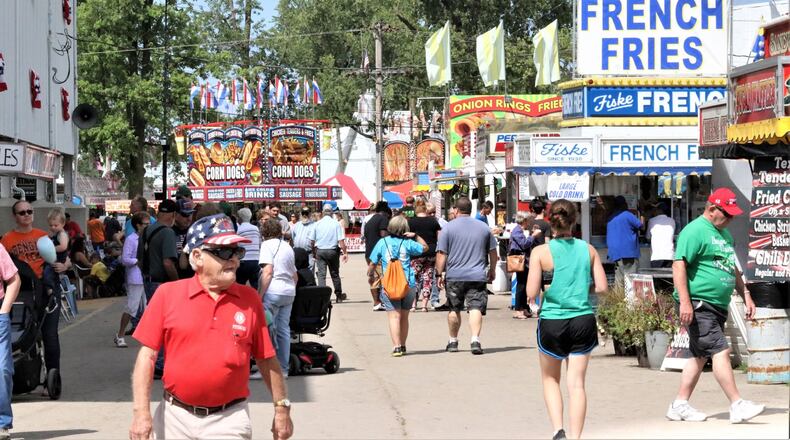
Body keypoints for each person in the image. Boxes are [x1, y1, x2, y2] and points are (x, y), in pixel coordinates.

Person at [129, 214, 293, 440]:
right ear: (197, 256)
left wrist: (282, 408)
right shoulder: (167, 295)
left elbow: (266, 359)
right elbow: (146, 357)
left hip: (229, 419)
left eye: (237, 252)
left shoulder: (250, 299)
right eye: (224, 252)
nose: (234, 260)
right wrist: (141, 412)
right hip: (174, 417)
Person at [666, 188, 763, 424]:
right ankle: (737, 403)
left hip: (717, 304)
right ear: (712, 209)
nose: (730, 219)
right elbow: (678, 266)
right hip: (700, 304)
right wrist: (686, 303)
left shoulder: (724, 235)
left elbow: (733, 269)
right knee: (720, 350)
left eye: (732, 215)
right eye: (727, 214)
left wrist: (747, 294)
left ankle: (679, 404)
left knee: (699, 355)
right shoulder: (695, 231)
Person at [526, 199, 608, 440]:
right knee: (577, 385)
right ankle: (576, 437)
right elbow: (602, 287)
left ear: (551, 221)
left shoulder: (541, 252)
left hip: (552, 321)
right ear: (574, 221)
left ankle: (558, 430)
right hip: (582, 319)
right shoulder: (588, 250)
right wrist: (582, 289)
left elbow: (531, 293)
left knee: (550, 378)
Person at [1, 201, 69, 383]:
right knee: (26, 336)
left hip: (46, 290)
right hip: (22, 294)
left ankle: (53, 378)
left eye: (29, 211)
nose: (26, 215)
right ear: (14, 216)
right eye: (22, 212)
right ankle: (28, 377)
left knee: (50, 336)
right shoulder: (7, 240)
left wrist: (65, 266)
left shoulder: (44, 236)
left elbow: (64, 256)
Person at [435, 197, 497, 355]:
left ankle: (453, 341)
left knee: (454, 308)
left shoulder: (448, 228)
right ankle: (475, 340)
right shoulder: (483, 227)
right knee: (475, 307)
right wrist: (492, 270)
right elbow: (493, 252)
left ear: (456, 210)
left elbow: (442, 254)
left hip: (455, 276)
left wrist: (439, 273)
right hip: (477, 275)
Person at [367, 216, 427, 356]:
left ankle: (397, 347)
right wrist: (416, 236)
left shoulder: (382, 242)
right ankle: (404, 345)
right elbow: (425, 248)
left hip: (390, 285)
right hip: (408, 284)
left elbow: (372, 263)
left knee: (394, 317)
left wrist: (370, 275)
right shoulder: (408, 243)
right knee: (404, 317)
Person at [258, 218, 298, 376]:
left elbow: (267, 272)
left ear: (264, 232)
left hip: (272, 292)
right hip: (288, 292)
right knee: (283, 330)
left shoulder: (266, 246)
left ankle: (268, 369)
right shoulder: (288, 247)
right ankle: (283, 368)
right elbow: (295, 276)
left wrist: (259, 295)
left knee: (267, 330)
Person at [116, 211, 150, 348]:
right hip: (135, 277)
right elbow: (125, 259)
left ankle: (148, 336)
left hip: (146, 276)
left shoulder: (148, 238)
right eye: (145, 224)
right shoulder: (131, 239)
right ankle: (120, 335)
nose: (148, 226)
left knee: (148, 308)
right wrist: (139, 261)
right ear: (138, 225)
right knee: (132, 307)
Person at [138, 199, 179, 302]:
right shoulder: (168, 232)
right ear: (173, 214)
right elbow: (168, 263)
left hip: (147, 282)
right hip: (161, 284)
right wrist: (177, 282)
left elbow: (139, 260)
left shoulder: (145, 230)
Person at [407, 200, 441, 312]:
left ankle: (413, 305)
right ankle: (424, 305)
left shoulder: (411, 222)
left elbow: (407, 238)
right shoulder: (433, 221)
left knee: (414, 279)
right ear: (426, 210)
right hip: (431, 252)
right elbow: (439, 238)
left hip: (416, 253)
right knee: (428, 278)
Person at [311, 204, 348, 303]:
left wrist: (313, 252)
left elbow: (312, 241)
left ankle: (322, 296)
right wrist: (345, 253)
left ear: (323, 213)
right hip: (332, 251)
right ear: (331, 213)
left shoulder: (317, 224)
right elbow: (341, 241)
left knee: (321, 275)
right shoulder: (336, 224)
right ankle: (339, 295)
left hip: (320, 251)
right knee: (335, 274)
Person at [510, 211, 543, 319]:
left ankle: (524, 308)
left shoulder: (521, 230)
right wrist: (533, 235)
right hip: (520, 260)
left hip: (524, 261)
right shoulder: (517, 231)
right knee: (521, 285)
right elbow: (524, 244)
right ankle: (518, 310)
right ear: (524, 220)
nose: (529, 222)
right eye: (528, 220)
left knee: (525, 284)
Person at [606, 195, 642, 289]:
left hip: (615, 254)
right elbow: (641, 226)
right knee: (631, 280)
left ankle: (618, 301)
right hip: (628, 253)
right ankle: (632, 303)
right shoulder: (627, 215)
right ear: (624, 204)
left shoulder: (611, 217)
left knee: (619, 281)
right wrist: (641, 213)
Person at [363, 202, 391, 311]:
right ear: (386, 212)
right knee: (382, 278)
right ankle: (381, 302)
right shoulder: (383, 219)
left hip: (369, 253)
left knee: (374, 278)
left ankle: (377, 302)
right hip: (379, 254)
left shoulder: (369, 221)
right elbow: (384, 236)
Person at [48, 208, 74, 295]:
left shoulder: (62, 234)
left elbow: (63, 246)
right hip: (56, 259)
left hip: (60, 259)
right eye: (51, 225)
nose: (53, 227)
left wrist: (51, 249)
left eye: (55, 225)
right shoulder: (55, 234)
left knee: (49, 273)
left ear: (63, 224)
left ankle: (50, 288)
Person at [235, 208, 261, 289]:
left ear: (240, 218)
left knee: (240, 285)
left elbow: (237, 245)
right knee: (255, 285)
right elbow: (259, 243)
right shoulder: (256, 229)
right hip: (256, 260)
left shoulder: (238, 229)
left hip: (243, 261)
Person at [647, 203, 675, 268]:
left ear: (659, 210)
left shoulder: (651, 220)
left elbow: (648, 237)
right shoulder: (672, 221)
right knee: (668, 278)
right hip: (669, 256)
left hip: (657, 256)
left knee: (656, 277)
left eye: (656, 209)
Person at [173, 199, 196, 280]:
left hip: (191, 278)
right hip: (174, 279)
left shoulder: (195, 232)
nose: (189, 218)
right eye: (185, 215)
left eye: (190, 214)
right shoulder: (169, 232)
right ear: (175, 215)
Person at [291, 207, 316, 273]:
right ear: (301, 214)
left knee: (309, 272)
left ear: (310, 214)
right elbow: (293, 238)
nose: (305, 215)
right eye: (303, 213)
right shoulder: (296, 225)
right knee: (297, 272)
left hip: (309, 253)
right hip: (297, 253)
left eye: (307, 213)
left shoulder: (314, 225)